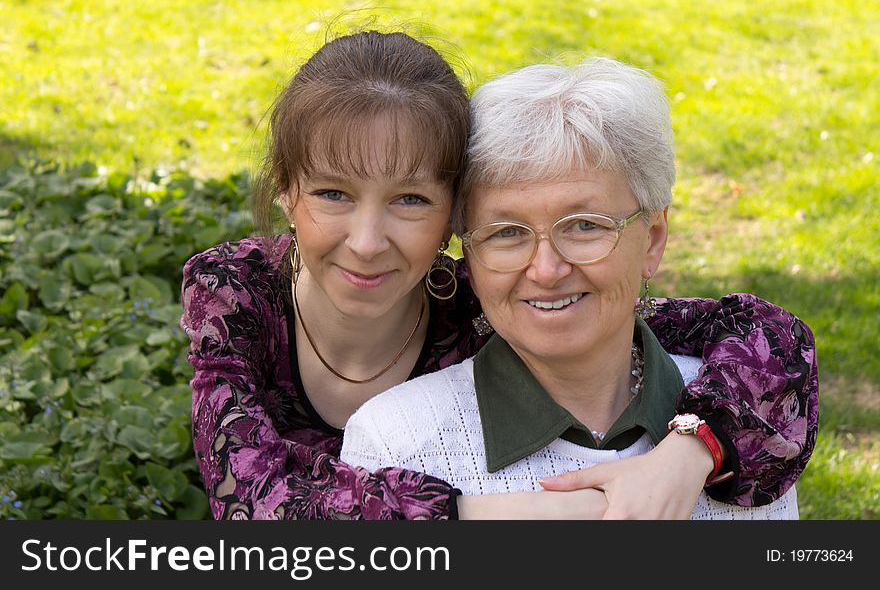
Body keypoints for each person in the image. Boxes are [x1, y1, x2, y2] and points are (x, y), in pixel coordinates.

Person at [181, 32, 818, 520]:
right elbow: (253, 502)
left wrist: (690, 452)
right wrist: (532, 512)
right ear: (287, 194)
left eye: (411, 200)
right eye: (332, 194)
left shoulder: (478, 300)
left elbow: (767, 338)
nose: (368, 242)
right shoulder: (238, 294)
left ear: (451, 223)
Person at [341, 56, 809, 518]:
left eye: (585, 226)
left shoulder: (754, 426)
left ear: (652, 239)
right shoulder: (396, 441)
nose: (546, 270)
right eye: (506, 232)